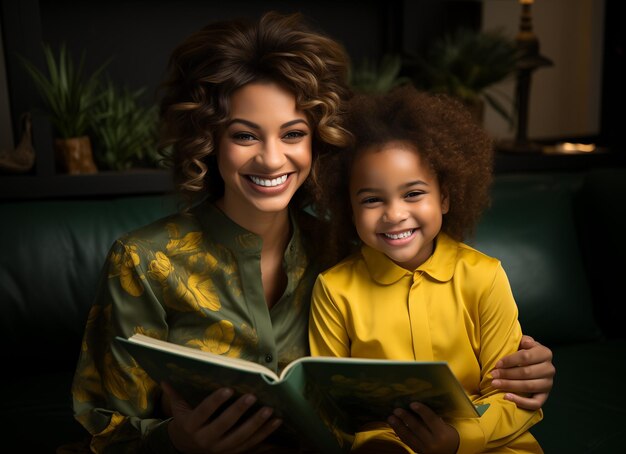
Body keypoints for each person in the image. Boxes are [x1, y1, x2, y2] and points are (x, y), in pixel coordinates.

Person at [71, 11, 554, 454]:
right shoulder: (143, 261)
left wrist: (524, 369)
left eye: (293, 133)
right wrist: (176, 441)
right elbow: (102, 427)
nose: (272, 158)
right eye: (244, 135)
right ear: (208, 139)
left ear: (318, 137)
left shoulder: (350, 249)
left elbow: (444, 334)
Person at [309, 86, 544, 453]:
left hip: (486, 441)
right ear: (348, 209)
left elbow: (514, 395)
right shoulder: (334, 289)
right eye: (372, 199)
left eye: (413, 193)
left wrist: (459, 440)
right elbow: (328, 402)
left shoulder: (484, 276)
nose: (395, 214)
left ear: (445, 197)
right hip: (386, 441)